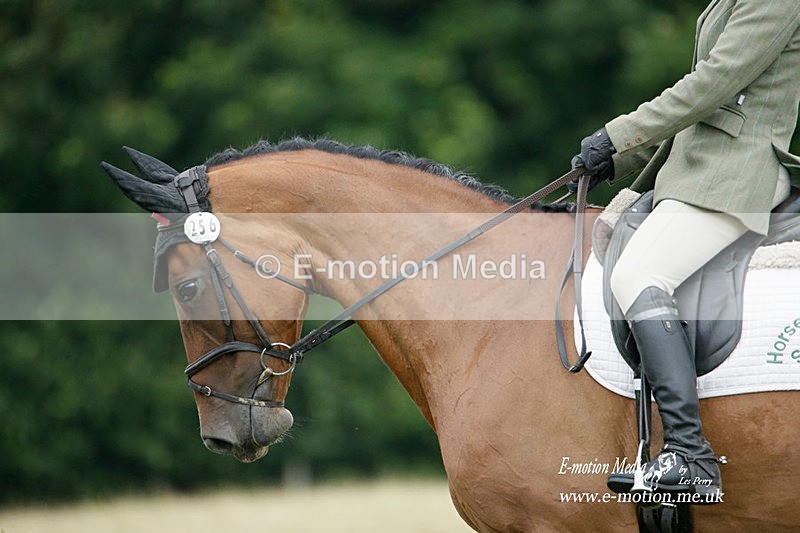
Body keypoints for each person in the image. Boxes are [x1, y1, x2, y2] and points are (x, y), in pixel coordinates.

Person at [571, 0, 800, 500]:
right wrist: (621, 156)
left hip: (733, 174)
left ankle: (690, 455)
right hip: (697, 170)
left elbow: (713, 84)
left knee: (638, 275)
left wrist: (618, 136)